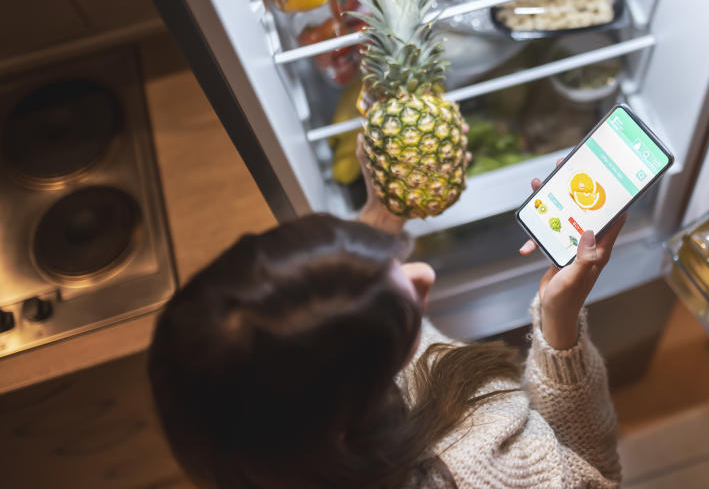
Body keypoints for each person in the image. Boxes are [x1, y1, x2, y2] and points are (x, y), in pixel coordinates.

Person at [148, 145, 624, 488]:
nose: (423, 272)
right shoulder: (487, 468)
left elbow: (346, 307)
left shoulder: (262, 435)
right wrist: (559, 319)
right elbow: (595, 474)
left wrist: (381, 212)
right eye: (401, 295)